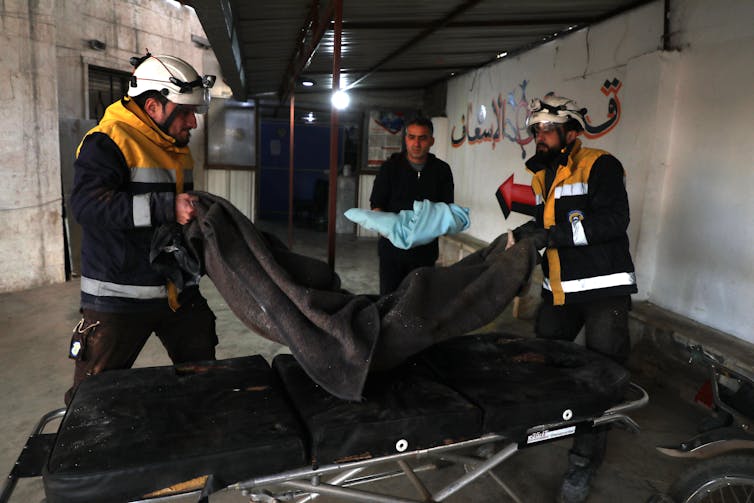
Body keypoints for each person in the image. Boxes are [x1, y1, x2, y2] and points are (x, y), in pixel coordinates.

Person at [65, 53, 218, 405]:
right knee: (92, 401)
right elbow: (86, 207)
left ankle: (202, 442)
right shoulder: (107, 141)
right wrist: (166, 208)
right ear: (152, 107)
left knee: (206, 378)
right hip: (118, 296)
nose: (192, 123)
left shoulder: (174, 144)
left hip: (176, 289)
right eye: (184, 112)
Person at [512, 94, 638, 503]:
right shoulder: (539, 176)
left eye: (547, 129)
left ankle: (583, 464)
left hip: (604, 291)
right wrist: (529, 238)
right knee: (539, 362)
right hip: (559, 290)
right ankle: (531, 430)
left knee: (601, 381)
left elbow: (615, 221)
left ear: (570, 131)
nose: (540, 137)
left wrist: (554, 236)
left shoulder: (600, 164)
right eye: (536, 131)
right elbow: (546, 223)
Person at [369, 116, 454, 294]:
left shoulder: (441, 170)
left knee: (418, 300)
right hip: (392, 250)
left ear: (431, 141)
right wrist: (391, 233)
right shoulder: (390, 168)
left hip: (425, 252)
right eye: (411, 137)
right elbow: (377, 205)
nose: (416, 143)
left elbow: (445, 209)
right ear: (405, 139)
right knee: (389, 299)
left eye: (422, 138)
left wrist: (427, 231)